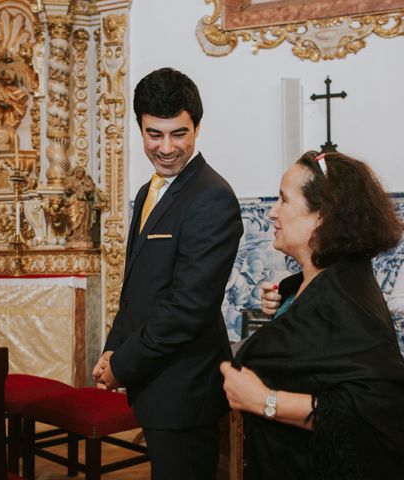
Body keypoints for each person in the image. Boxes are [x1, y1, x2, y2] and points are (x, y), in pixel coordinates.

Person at [93, 67, 243, 479]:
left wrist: (124, 363)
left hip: (186, 388)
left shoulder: (211, 196)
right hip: (156, 381)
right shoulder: (148, 191)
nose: (166, 147)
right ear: (139, 127)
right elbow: (137, 287)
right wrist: (112, 347)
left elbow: (188, 307)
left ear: (197, 126)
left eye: (179, 133)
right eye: (154, 134)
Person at [221, 151, 404, 479]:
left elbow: (374, 409)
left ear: (321, 216)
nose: (272, 212)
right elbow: (315, 362)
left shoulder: (343, 297)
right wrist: (285, 305)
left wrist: (265, 401)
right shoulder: (315, 280)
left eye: (284, 200)